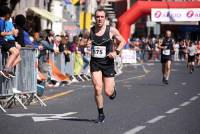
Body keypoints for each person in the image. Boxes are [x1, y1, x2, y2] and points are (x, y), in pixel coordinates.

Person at [88, 8, 125, 123]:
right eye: (97, 16)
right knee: (98, 88)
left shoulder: (111, 30)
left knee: (108, 92)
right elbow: (85, 42)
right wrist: (87, 44)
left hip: (108, 64)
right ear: (95, 18)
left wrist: (116, 52)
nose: (99, 19)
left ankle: (113, 90)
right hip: (95, 63)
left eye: (102, 17)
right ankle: (101, 114)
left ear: (105, 18)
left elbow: (123, 41)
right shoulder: (90, 31)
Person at [0, 5, 21, 79]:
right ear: (7, 14)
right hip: (2, 42)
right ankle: (6, 69)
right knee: (15, 52)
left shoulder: (3, 21)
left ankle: (7, 69)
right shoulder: (1, 21)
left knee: (17, 55)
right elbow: (1, 33)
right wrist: (10, 33)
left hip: (4, 41)